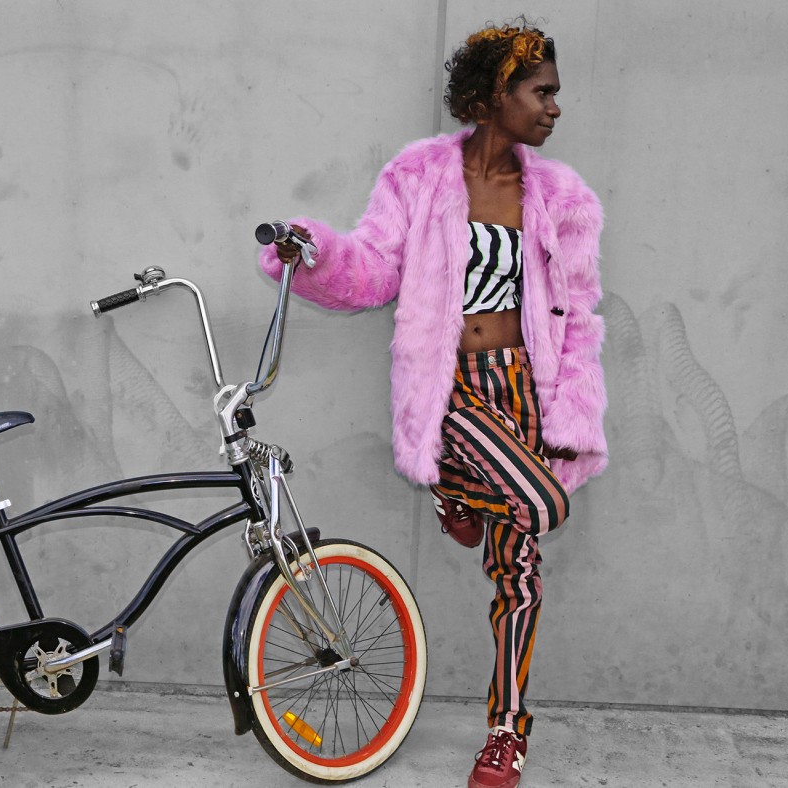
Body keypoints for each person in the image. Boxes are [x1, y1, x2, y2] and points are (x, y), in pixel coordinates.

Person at [259, 20, 606, 788]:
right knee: (542, 504)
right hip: (449, 387)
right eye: (540, 91)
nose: (555, 107)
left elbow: (578, 319)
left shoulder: (561, 198)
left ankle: (505, 733)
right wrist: (308, 251)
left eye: (556, 93)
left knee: (521, 564)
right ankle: (458, 485)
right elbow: (374, 270)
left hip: (526, 388)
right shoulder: (418, 177)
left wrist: (574, 420)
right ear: (492, 98)